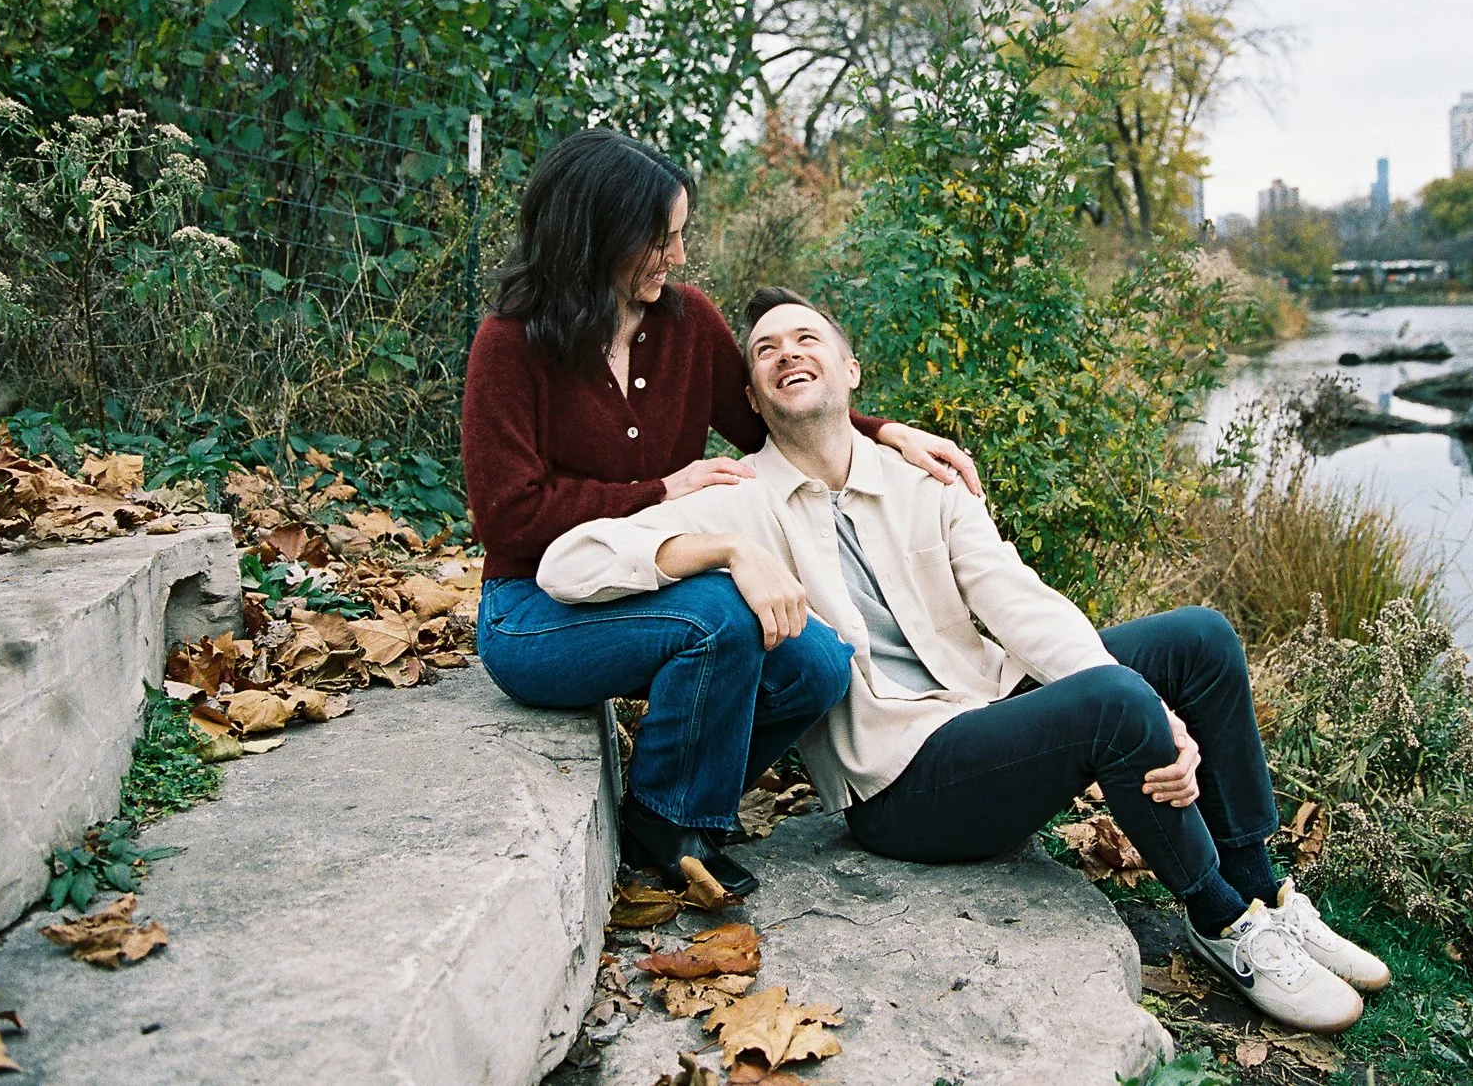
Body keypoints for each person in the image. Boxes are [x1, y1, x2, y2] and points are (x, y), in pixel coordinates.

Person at [535, 287, 1392, 1034]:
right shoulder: (737, 496)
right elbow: (563, 564)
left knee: (1197, 638)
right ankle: (1218, 921)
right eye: (764, 350)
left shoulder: (922, 479)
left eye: (807, 340)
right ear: (753, 396)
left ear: (850, 369)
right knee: (1114, 705)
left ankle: (1261, 893)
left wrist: (1147, 700)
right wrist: (718, 550)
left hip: (989, 713)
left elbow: (1020, 604)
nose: (786, 353)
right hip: (905, 784)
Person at [463, 132, 980, 899]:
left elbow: (777, 422)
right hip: (536, 611)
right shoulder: (511, 345)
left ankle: (676, 794)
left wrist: (885, 434)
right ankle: (669, 822)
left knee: (819, 663)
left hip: (650, 589)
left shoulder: (684, 323)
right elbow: (510, 520)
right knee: (722, 614)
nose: (677, 257)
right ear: (600, 235)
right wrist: (662, 490)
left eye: (679, 236)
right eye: (661, 239)